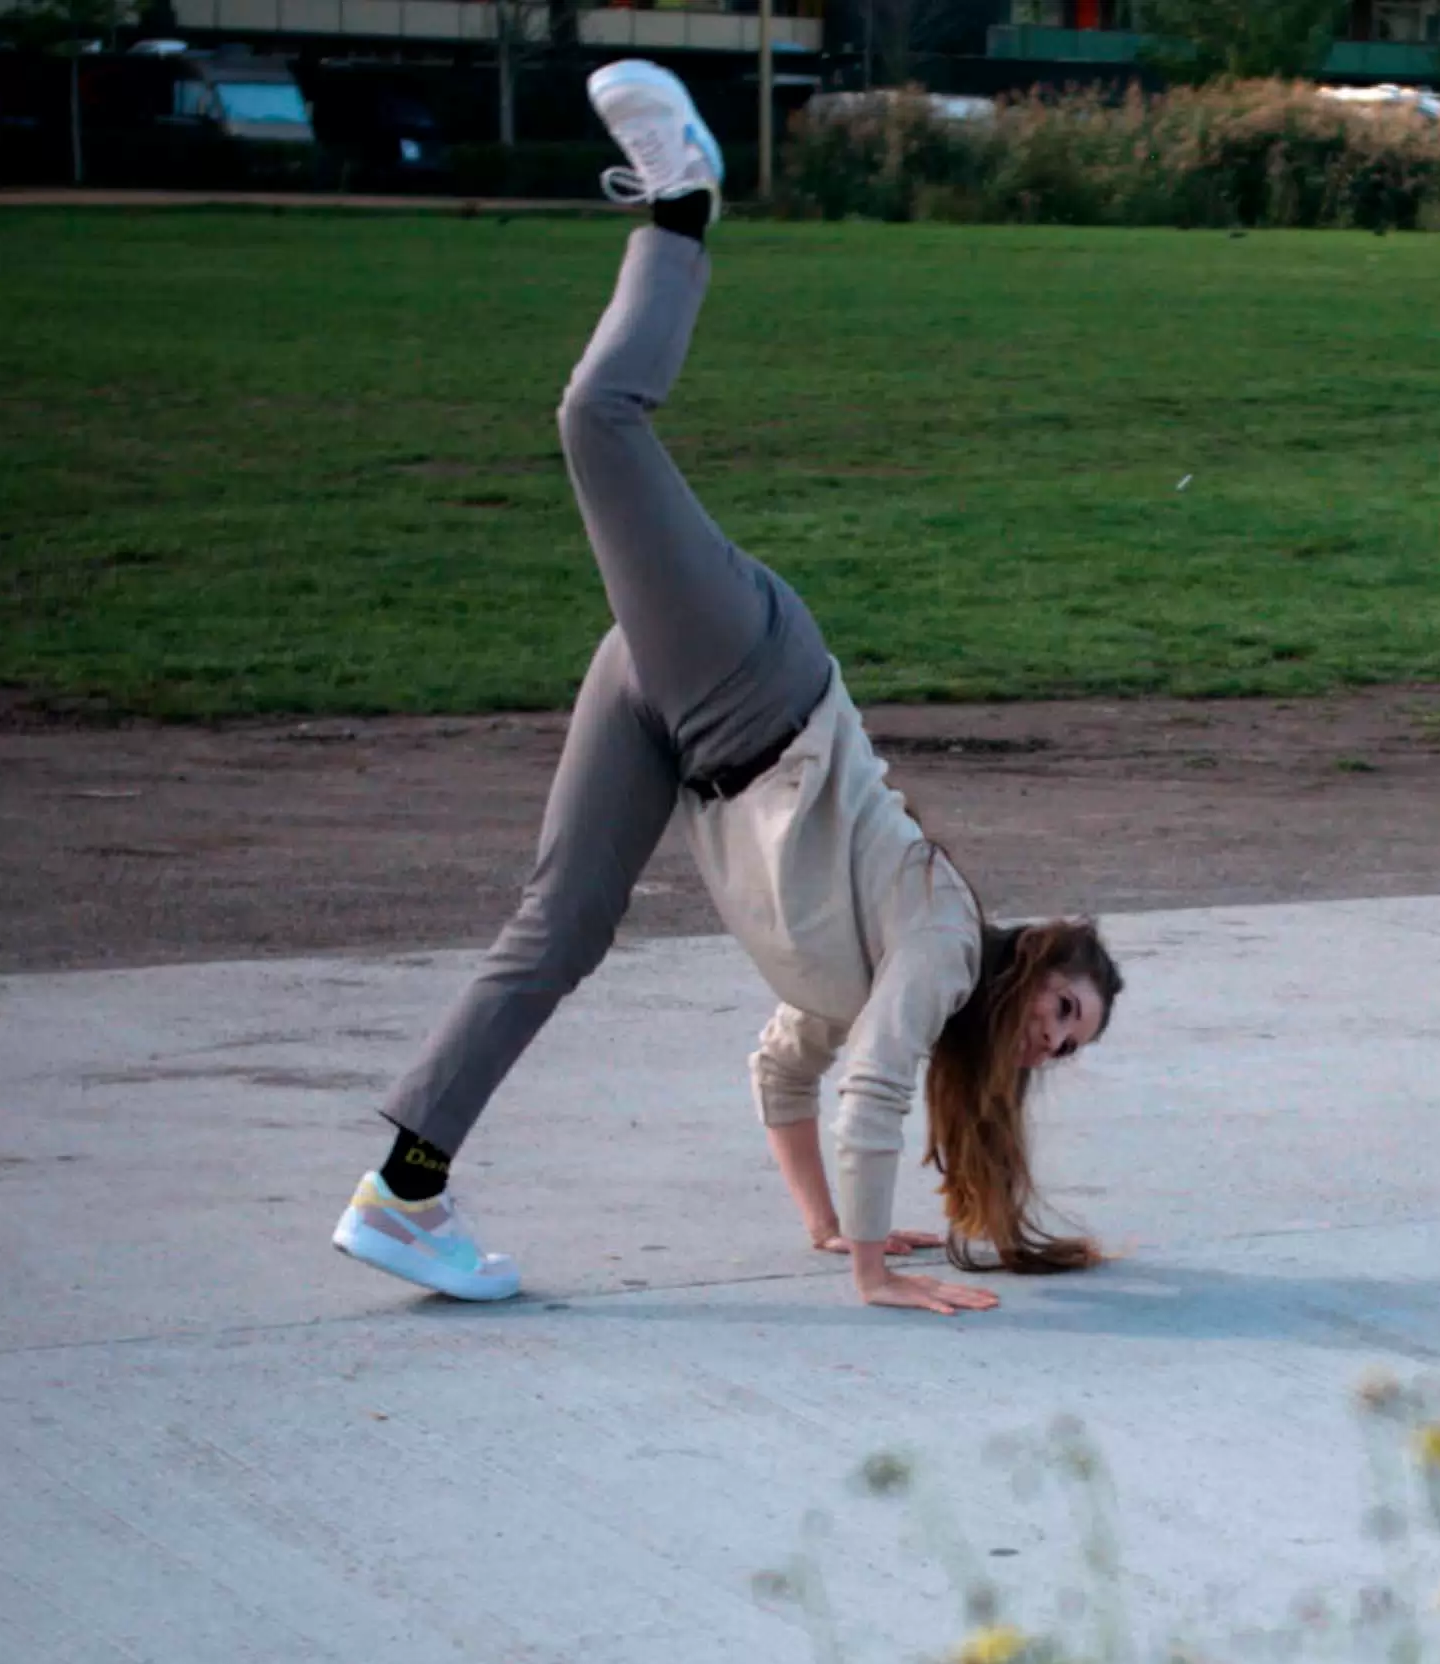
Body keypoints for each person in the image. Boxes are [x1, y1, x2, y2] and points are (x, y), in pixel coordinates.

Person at [333, 61, 1120, 1319]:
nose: (1054, 1040)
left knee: (560, 929)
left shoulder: (878, 991)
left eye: (1065, 1049)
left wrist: (821, 1227)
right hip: (758, 682)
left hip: (679, 722)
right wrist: (874, 1277)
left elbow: (789, 1076)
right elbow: (867, 1094)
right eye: (1068, 1009)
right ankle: (683, 209)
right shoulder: (946, 938)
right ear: (1046, 954)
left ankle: (405, 1190)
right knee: (600, 420)